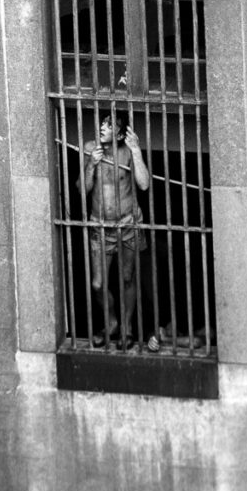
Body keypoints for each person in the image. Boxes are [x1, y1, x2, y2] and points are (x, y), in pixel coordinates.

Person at [80, 112, 149, 347]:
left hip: (128, 223)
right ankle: (111, 323)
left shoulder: (127, 153)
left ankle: (127, 328)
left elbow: (144, 183)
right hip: (100, 226)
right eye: (103, 122)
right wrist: (92, 164)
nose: (102, 126)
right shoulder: (91, 148)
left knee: (128, 278)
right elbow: (82, 189)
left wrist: (137, 152)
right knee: (98, 283)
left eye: (109, 125)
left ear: (119, 134)